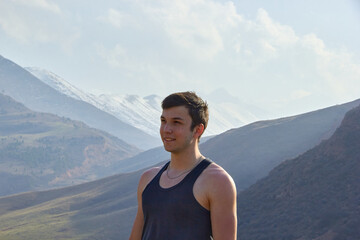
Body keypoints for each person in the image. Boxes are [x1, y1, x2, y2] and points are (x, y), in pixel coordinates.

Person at [129, 91, 237, 240]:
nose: (167, 129)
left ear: (198, 130)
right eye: (163, 121)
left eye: (176, 122)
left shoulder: (218, 182)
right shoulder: (148, 179)